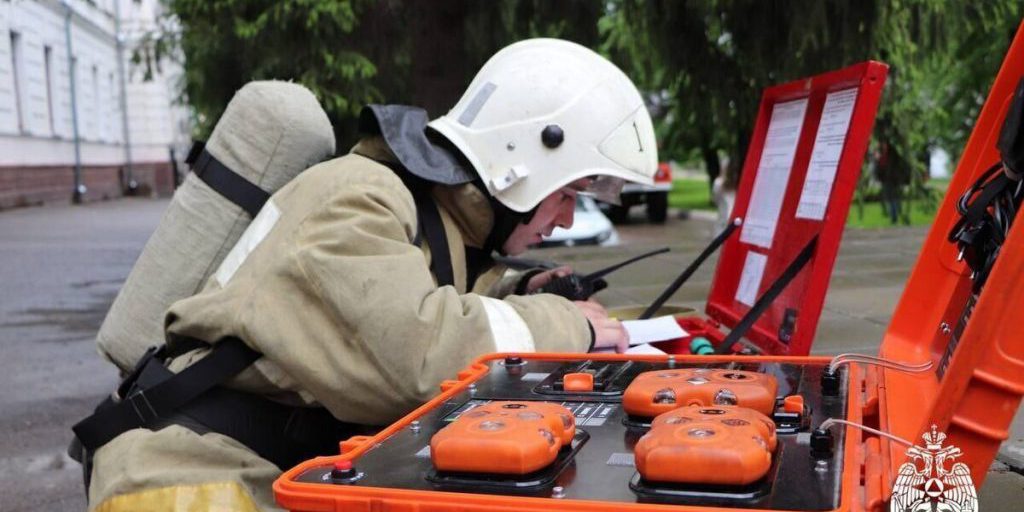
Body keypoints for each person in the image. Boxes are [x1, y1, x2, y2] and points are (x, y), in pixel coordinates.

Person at [80, 38, 658, 511]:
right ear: (520, 166)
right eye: (568, 194)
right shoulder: (359, 195)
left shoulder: (438, 222)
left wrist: (520, 290)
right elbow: (414, 355)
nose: (563, 221)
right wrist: (565, 323)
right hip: (183, 478)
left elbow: (417, 297)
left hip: (265, 465)